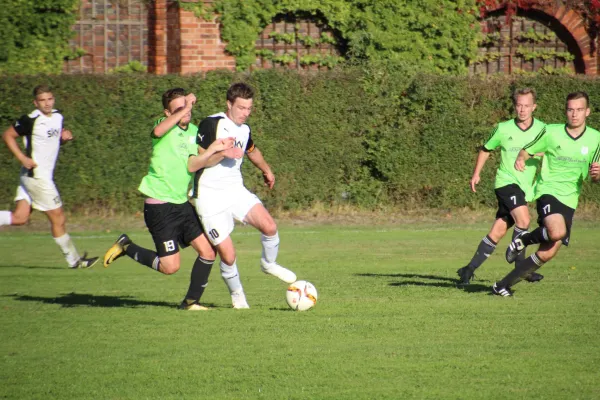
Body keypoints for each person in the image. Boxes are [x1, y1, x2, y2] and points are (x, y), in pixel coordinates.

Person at [103, 88, 235, 310]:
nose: (186, 111)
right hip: (159, 207)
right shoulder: (163, 127)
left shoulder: (194, 131)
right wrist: (184, 108)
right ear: (167, 112)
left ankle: (191, 302)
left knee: (208, 252)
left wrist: (221, 152)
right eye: (179, 108)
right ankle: (127, 247)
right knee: (170, 267)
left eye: (187, 106)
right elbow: (157, 131)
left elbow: (199, 162)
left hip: (182, 205)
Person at [190, 82, 297, 309]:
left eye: (249, 109)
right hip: (209, 198)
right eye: (241, 108)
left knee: (270, 226)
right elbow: (198, 161)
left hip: (236, 191)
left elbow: (252, 150)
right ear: (229, 104)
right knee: (228, 255)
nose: (245, 113)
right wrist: (223, 152)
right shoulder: (211, 124)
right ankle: (238, 296)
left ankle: (269, 264)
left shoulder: (244, 129)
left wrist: (266, 170)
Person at [494, 91, 600, 296]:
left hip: (570, 198)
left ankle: (502, 285)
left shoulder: (596, 138)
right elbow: (527, 149)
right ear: (565, 111)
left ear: (587, 112)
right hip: (548, 191)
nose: (574, 114)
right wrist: (521, 158)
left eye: (579, 110)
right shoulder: (551, 132)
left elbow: (595, 177)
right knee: (557, 231)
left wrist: (598, 175)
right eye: (570, 109)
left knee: (549, 251)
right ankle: (522, 240)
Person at [0, 85, 98, 268]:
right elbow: (7, 135)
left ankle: (75, 261)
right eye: (42, 100)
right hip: (38, 177)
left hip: (32, 176)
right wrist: (22, 157)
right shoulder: (30, 119)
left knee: (20, 218)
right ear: (35, 102)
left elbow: (50, 142)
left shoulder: (58, 116)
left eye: (50, 99)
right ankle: (75, 261)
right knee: (58, 218)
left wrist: (63, 139)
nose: (47, 103)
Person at [457, 88, 545, 284]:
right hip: (506, 183)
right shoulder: (503, 128)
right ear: (515, 107)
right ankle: (522, 270)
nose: (522, 109)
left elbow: (550, 151)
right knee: (523, 220)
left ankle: (468, 270)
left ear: (534, 107)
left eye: (526, 105)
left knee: (498, 231)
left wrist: (534, 154)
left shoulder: (543, 129)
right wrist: (476, 173)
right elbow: (486, 149)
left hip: (525, 188)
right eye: (519, 105)